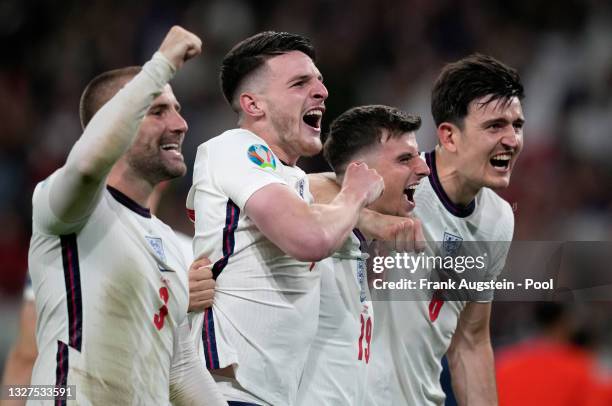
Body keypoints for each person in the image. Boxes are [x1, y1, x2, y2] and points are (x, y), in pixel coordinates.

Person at [311, 53, 525, 405]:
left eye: (516, 125)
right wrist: (370, 218)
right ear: (449, 136)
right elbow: (300, 188)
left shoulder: (498, 220)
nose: (511, 140)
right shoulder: (401, 177)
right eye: (494, 126)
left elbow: (470, 341)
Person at [28, 26, 225, 405]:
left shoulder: (169, 243)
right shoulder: (66, 207)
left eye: (178, 112)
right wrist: (161, 63)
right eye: (158, 111)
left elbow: (180, 369)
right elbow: (86, 168)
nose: (181, 125)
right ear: (116, 122)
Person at [186, 31, 384, 405]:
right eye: (299, 83)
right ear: (253, 104)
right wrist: (355, 192)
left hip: (271, 395)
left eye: (320, 81)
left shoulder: (288, 177)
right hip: (228, 392)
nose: (321, 92)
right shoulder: (236, 147)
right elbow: (309, 239)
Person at [296, 105, 430, 405]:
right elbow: (300, 187)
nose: (423, 168)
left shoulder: (356, 245)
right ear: (359, 171)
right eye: (405, 159)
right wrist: (369, 216)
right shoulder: (310, 232)